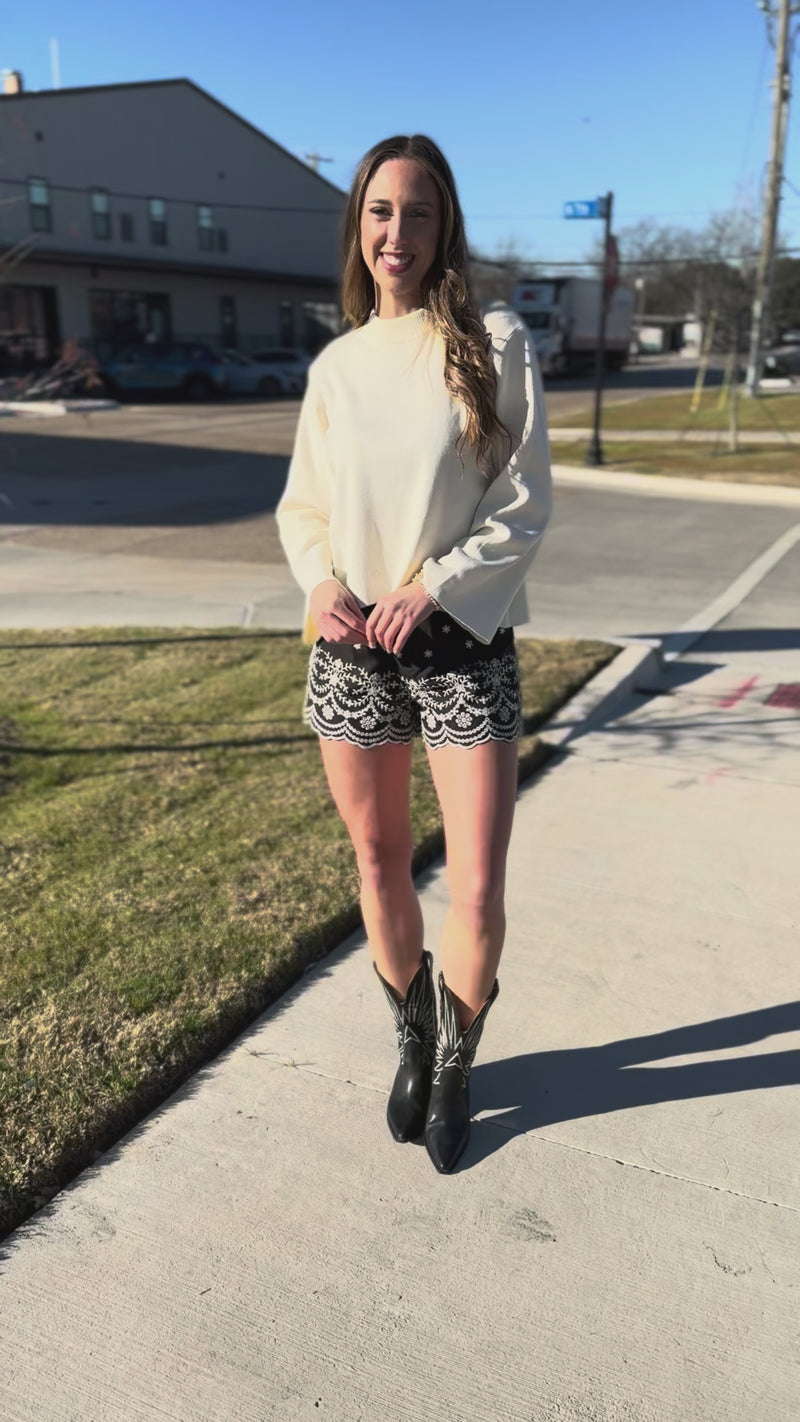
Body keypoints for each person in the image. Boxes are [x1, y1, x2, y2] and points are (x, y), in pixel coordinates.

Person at [275, 134, 552, 1173]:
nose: (398, 232)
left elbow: (523, 506)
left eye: (419, 212)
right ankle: (409, 1035)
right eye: (380, 211)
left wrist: (430, 586)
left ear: (445, 228)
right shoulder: (338, 366)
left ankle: (456, 1062)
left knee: (475, 884)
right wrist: (319, 581)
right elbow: (306, 508)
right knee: (379, 857)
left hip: (461, 647)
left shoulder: (491, 340)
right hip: (351, 651)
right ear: (359, 225)